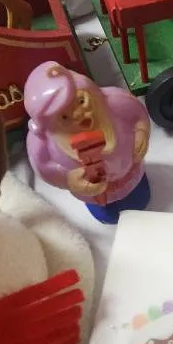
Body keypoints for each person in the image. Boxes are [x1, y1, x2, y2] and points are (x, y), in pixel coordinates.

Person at [24, 62, 151, 223]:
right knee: (109, 216)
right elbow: (44, 169)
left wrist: (141, 134)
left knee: (141, 199)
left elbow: (138, 115)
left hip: (132, 176)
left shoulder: (116, 102)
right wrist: (68, 179)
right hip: (96, 195)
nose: (79, 114)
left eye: (81, 101)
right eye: (65, 117)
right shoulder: (41, 142)